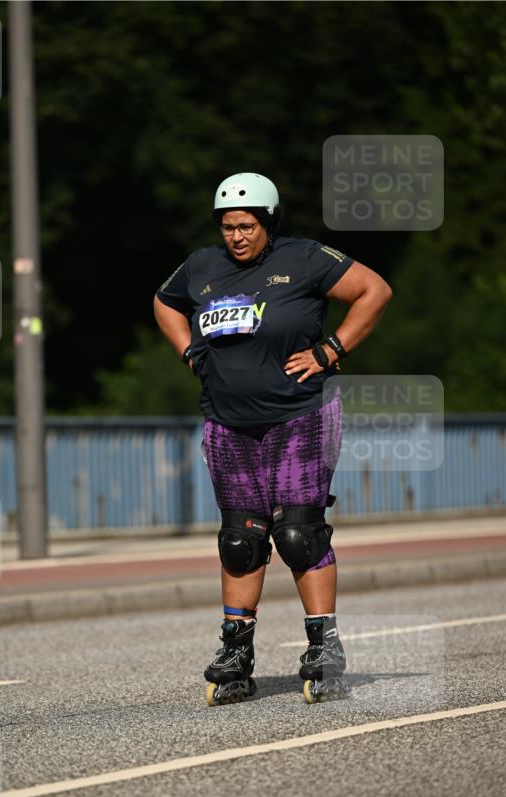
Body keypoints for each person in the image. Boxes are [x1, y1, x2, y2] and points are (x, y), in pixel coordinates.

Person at [153, 172, 392, 706]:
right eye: (228, 226)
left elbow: (375, 290)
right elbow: (164, 302)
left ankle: (323, 647)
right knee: (240, 540)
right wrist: (189, 349)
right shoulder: (201, 267)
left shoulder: (304, 258)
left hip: (300, 416)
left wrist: (331, 351)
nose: (236, 236)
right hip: (228, 422)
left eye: (247, 225)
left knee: (298, 535)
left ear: (268, 222)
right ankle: (237, 652)